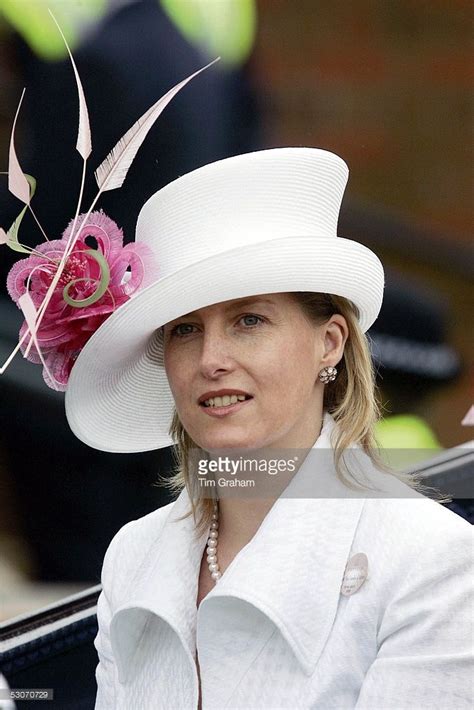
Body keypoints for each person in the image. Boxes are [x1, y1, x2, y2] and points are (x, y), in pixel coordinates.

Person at [3, 147, 472, 707]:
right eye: (185, 330)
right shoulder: (136, 553)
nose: (211, 359)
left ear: (330, 343)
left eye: (250, 320)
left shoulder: (431, 561)